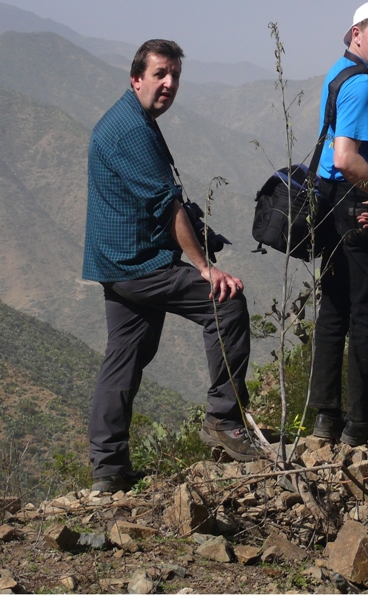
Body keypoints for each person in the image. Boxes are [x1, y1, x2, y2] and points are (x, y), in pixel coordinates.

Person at [83, 39, 258, 492]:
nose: (168, 84)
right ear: (136, 78)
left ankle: (108, 468)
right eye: (160, 74)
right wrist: (205, 267)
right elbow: (167, 204)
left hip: (117, 262)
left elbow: (159, 200)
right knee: (226, 304)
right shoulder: (131, 131)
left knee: (125, 356)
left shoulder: (132, 119)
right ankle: (224, 420)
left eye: (175, 75)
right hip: (139, 264)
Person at [308, 0, 368, 447]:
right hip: (364, 206)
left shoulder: (338, 73)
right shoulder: (364, 86)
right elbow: (346, 158)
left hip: (333, 205)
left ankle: (326, 417)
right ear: (357, 34)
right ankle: (360, 422)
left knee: (334, 310)